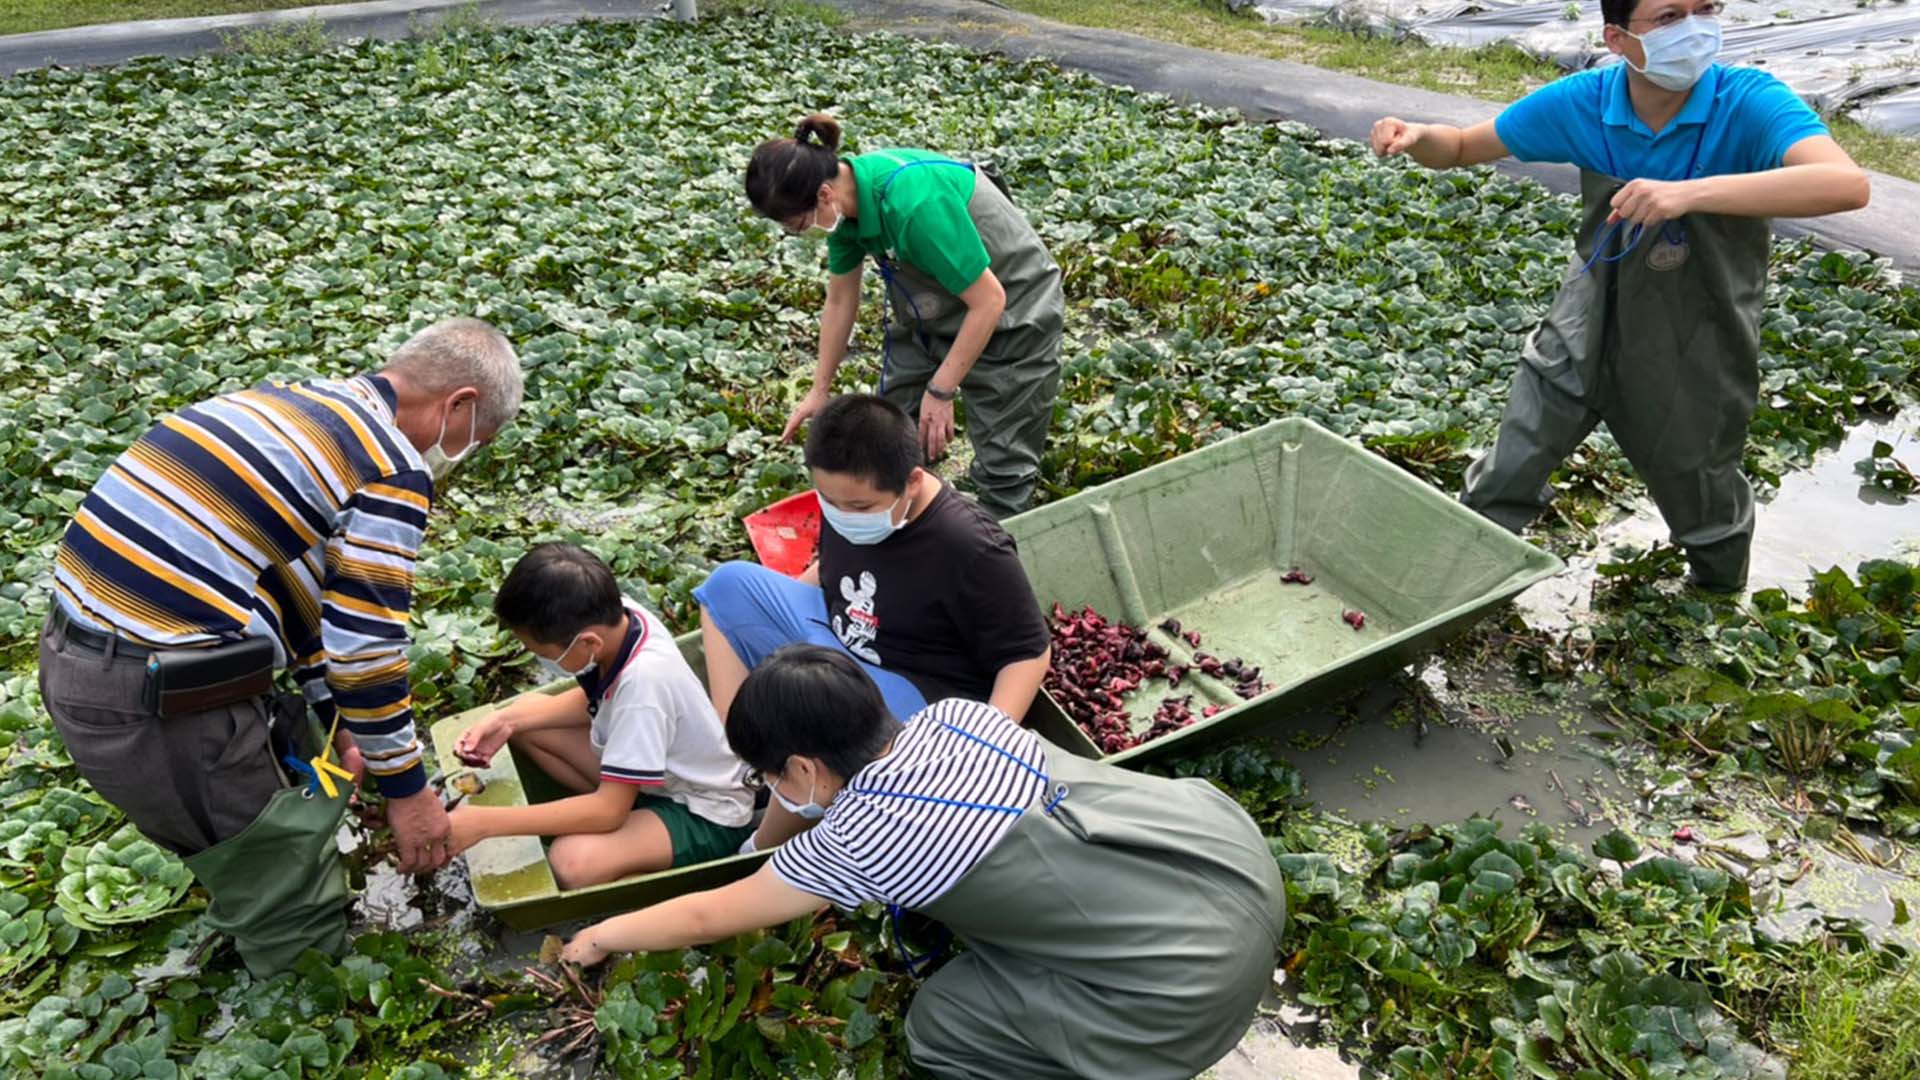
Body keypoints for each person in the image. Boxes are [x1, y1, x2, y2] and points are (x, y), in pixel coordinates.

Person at [40, 317, 522, 976]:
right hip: (155, 703)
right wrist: (410, 797)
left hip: (83, 661)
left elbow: (300, 605)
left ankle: (280, 863)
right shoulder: (390, 465)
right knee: (285, 893)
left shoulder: (284, 406)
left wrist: (345, 730)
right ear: (459, 405)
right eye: (478, 439)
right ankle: (298, 995)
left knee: (298, 787)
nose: (463, 453)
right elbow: (366, 649)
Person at [560, 645, 1286, 1080]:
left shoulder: (859, 837)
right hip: (1231, 857)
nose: (775, 795)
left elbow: (709, 912)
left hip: (1189, 996)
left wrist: (600, 935)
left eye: (772, 779)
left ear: (806, 770)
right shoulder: (956, 716)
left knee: (941, 1024)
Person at [1370, 0, 1869, 593]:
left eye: (1704, 8)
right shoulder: (1585, 103)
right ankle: (1462, 593)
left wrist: (1689, 194)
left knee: (1702, 492)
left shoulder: (1748, 102)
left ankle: (1715, 602)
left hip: (1697, 333)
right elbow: (1457, 147)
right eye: (1669, 17)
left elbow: (1847, 185)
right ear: (1617, 37)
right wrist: (1417, 136)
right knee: (1511, 463)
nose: (1694, 28)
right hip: (1585, 313)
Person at [695, 394, 1051, 849]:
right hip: (845, 639)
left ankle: (764, 846)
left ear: (912, 481)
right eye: (828, 500)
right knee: (729, 585)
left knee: (817, 706)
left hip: (914, 692)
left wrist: (984, 745)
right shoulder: (846, 501)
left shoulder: (971, 546)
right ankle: (748, 756)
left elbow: (1029, 654)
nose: (844, 515)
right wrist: (785, 618)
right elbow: (827, 572)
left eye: (860, 508)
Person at [745, 113, 1065, 519]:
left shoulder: (913, 204)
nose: (800, 233)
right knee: (889, 434)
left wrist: (943, 390)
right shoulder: (846, 209)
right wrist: (819, 390)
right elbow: (841, 300)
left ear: (824, 194)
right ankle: (902, 518)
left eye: (797, 224)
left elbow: (989, 301)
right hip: (933, 307)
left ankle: (991, 537)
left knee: (1004, 463)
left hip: (1012, 306)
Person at [446, 543, 754, 886]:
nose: (538, 660)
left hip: (704, 811)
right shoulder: (622, 615)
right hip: (655, 778)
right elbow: (601, 696)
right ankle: (629, 825)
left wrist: (485, 823)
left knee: (572, 862)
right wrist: (507, 720)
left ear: (589, 643)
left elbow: (609, 811)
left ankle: (673, 883)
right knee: (524, 719)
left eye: (542, 653)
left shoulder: (644, 686)